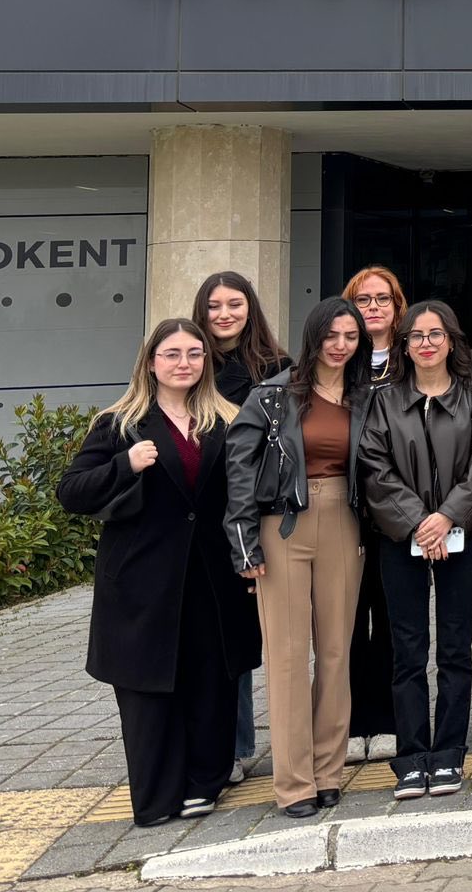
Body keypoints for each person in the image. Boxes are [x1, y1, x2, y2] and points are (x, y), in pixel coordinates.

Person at [59, 319, 259, 827]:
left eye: (194, 353)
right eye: (172, 354)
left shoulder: (228, 419)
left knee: (211, 682)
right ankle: (156, 797)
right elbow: (72, 492)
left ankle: (204, 782)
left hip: (213, 579)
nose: (184, 363)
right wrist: (125, 464)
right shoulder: (120, 422)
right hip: (144, 583)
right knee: (148, 690)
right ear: (151, 362)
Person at [224, 298, 375, 816]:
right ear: (313, 337)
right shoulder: (272, 396)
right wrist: (243, 543)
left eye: (351, 337)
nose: (340, 345)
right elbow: (240, 469)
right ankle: (293, 783)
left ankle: (329, 772)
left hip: (344, 520)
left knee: (336, 653)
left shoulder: (366, 396)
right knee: (288, 657)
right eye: (331, 335)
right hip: (283, 524)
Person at [360, 301, 472, 800]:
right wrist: (418, 524)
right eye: (416, 336)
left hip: (462, 535)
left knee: (454, 648)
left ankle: (448, 755)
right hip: (399, 539)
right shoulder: (383, 401)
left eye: (436, 334)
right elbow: (373, 468)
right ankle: (410, 758)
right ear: (404, 345)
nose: (426, 343)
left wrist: (447, 517)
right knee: (406, 651)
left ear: (451, 341)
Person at [192, 271, 290, 782]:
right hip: (199, 512)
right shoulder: (189, 361)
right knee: (209, 634)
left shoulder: (277, 369)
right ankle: (219, 744)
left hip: (255, 515)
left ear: (251, 308)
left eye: (235, 304)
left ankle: (240, 744)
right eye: (214, 306)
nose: (224, 314)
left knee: (245, 634)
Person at [342, 265, 406, 764]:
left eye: (383, 299)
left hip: (399, 510)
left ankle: (385, 719)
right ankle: (350, 721)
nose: (374, 307)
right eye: (363, 300)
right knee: (343, 622)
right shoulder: (341, 362)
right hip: (344, 510)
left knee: (391, 620)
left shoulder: (411, 358)